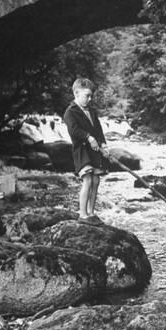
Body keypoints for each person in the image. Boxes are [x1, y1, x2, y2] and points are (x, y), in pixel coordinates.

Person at [63, 78, 109, 226]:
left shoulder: (92, 112)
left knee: (96, 180)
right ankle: (82, 214)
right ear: (76, 93)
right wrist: (89, 138)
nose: (89, 99)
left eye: (91, 96)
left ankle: (91, 213)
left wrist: (103, 144)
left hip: (95, 151)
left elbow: (99, 130)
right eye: (86, 96)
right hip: (81, 150)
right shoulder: (70, 112)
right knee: (87, 179)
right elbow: (74, 130)